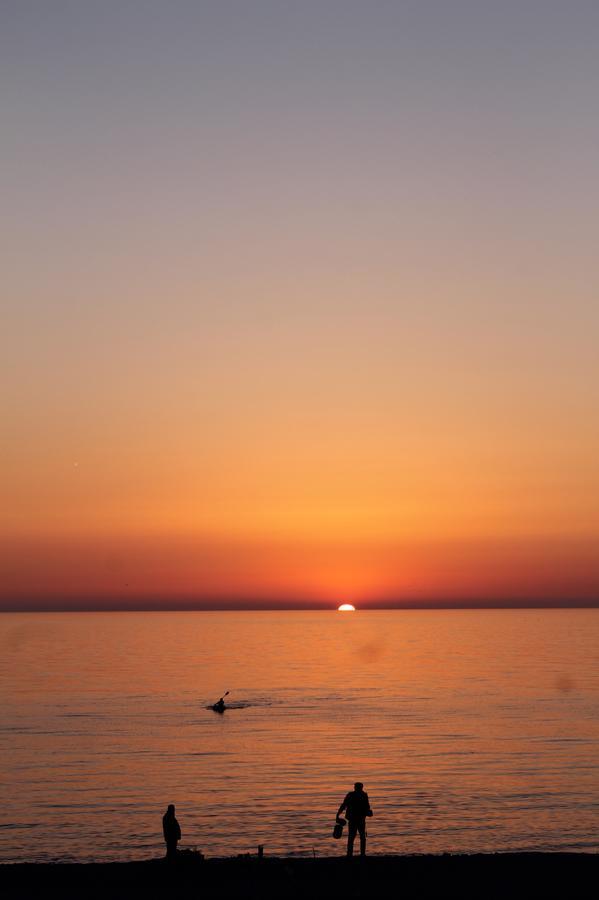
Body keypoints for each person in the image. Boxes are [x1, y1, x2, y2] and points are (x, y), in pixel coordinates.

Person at [336, 782, 373, 857]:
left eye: (355, 787)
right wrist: (368, 812)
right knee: (362, 837)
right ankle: (362, 854)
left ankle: (350, 854)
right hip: (360, 819)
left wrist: (338, 814)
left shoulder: (351, 795)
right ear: (361, 787)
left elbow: (344, 805)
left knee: (352, 837)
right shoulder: (363, 795)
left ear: (355, 787)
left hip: (353, 819)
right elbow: (367, 807)